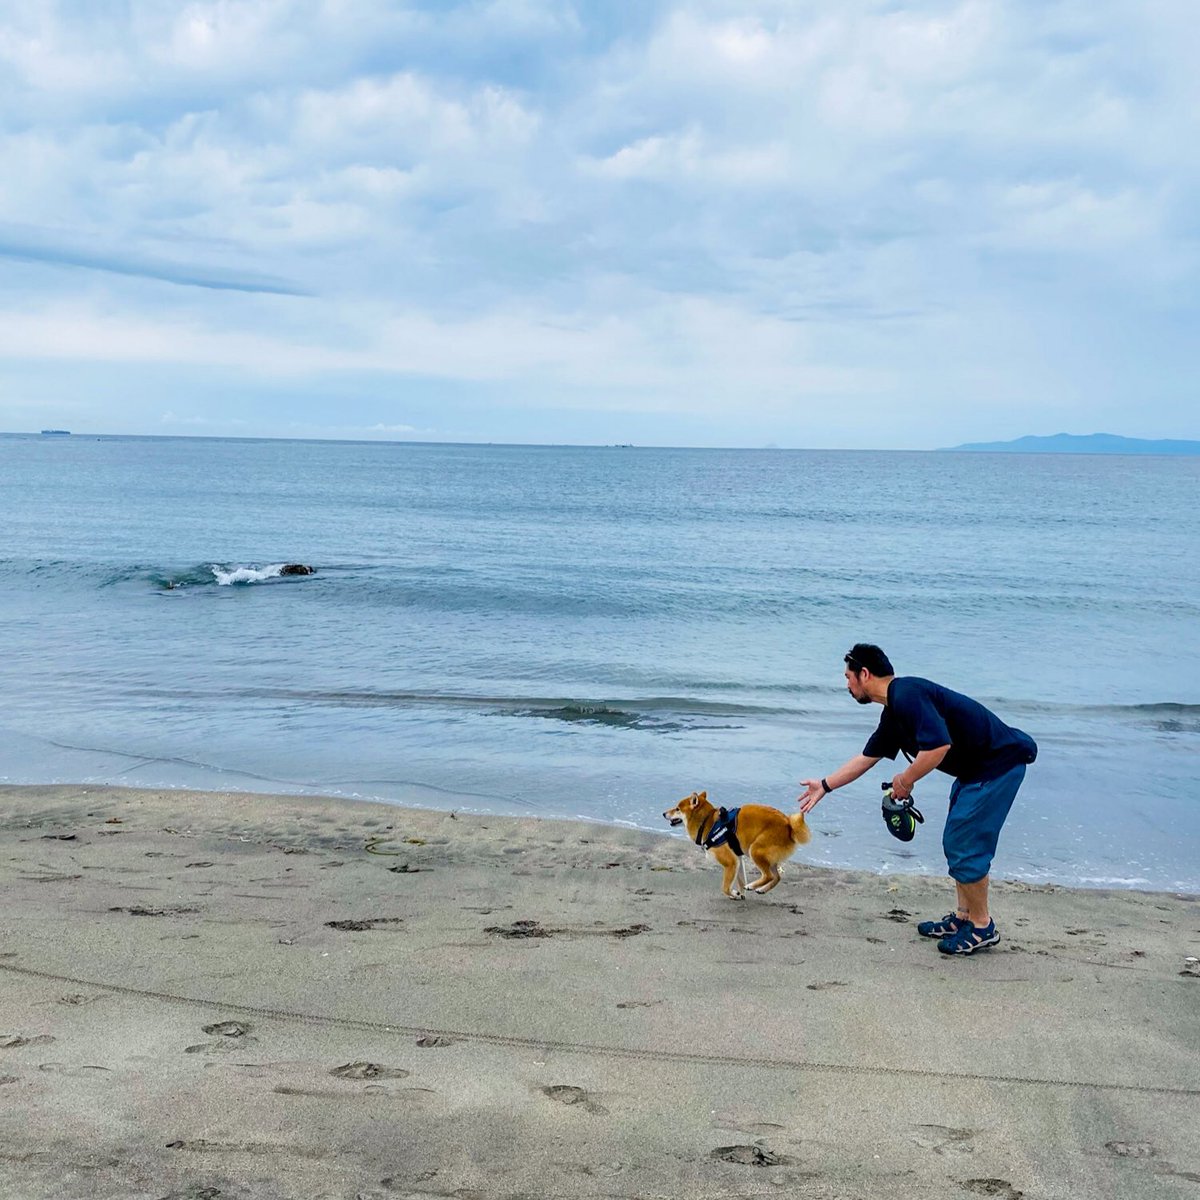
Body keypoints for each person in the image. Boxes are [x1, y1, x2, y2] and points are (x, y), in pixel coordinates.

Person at [798, 644, 1037, 956]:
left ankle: (982, 926)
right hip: (976, 770)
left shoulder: (906, 694)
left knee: (964, 844)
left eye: (848, 677)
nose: (846, 684)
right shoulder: (894, 712)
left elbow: (938, 747)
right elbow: (867, 758)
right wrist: (825, 785)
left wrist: (906, 779)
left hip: (998, 765)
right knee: (957, 841)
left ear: (865, 674)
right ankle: (964, 918)